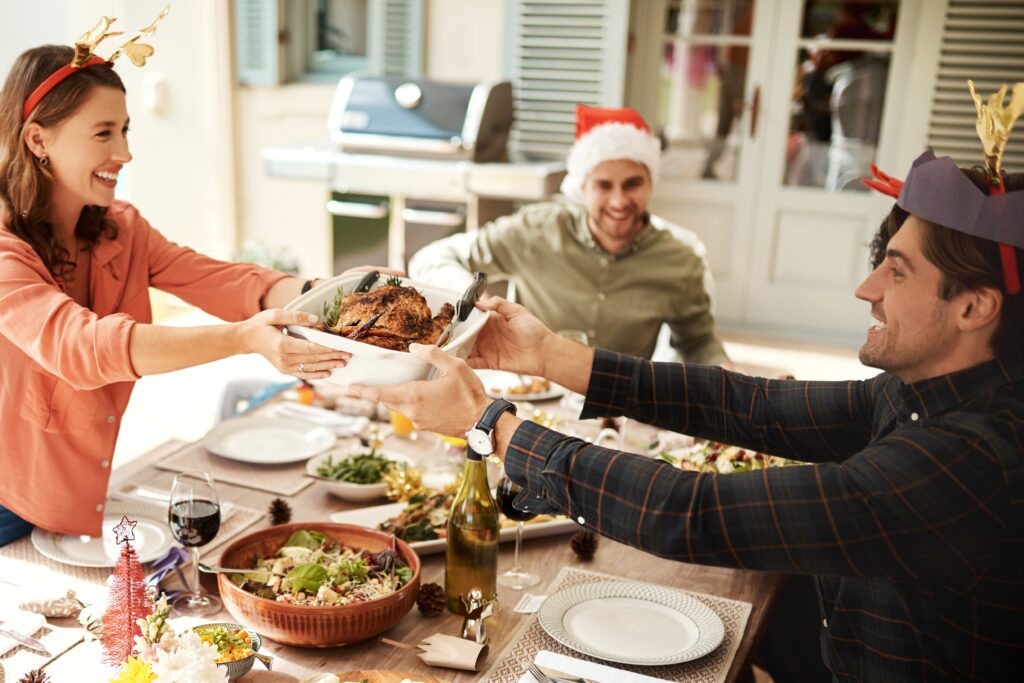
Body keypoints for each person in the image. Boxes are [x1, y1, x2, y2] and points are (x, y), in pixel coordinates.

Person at [350, 140, 1024, 678]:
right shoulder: (920, 392)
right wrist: (554, 354)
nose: (866, 288)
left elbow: (695, 513)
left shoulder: (969, 459)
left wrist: (492, 425)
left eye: (898, 271)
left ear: (975, 306)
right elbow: (750, 402)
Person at [0, 18, 357, 544]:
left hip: (74, 495)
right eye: (103, 133)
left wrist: (341, 296)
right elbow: (81, 349)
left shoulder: (121, 229)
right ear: (38, 139)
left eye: (124, 130)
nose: (124, 153)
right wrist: (242, 339)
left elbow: (228, 282)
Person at [409, 104, 730, 365]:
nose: (619, 201)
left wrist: (728, 375)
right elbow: (433, 257)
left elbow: (698, 342)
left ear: (650, 183)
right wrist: (471, 301)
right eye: (604, 185)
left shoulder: (681, 261)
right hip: (534, 399)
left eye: (632, 184)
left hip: (620, 409)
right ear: (582, 188)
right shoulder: (536, 231)